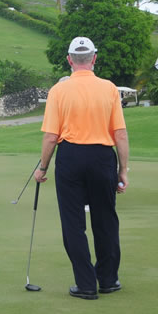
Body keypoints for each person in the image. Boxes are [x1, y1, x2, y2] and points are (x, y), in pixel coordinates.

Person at [34, 37, 129, 300]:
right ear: (94, 58)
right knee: (105, 219)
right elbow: (120, 134)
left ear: (69, 60)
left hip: (71, 157)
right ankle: (108, 280)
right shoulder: (109, 88)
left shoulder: (58, 91)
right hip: (102, 156)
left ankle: (86, 284)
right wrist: (123, 170)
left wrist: (42, 167)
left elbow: (51, 137)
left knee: (73, 223)